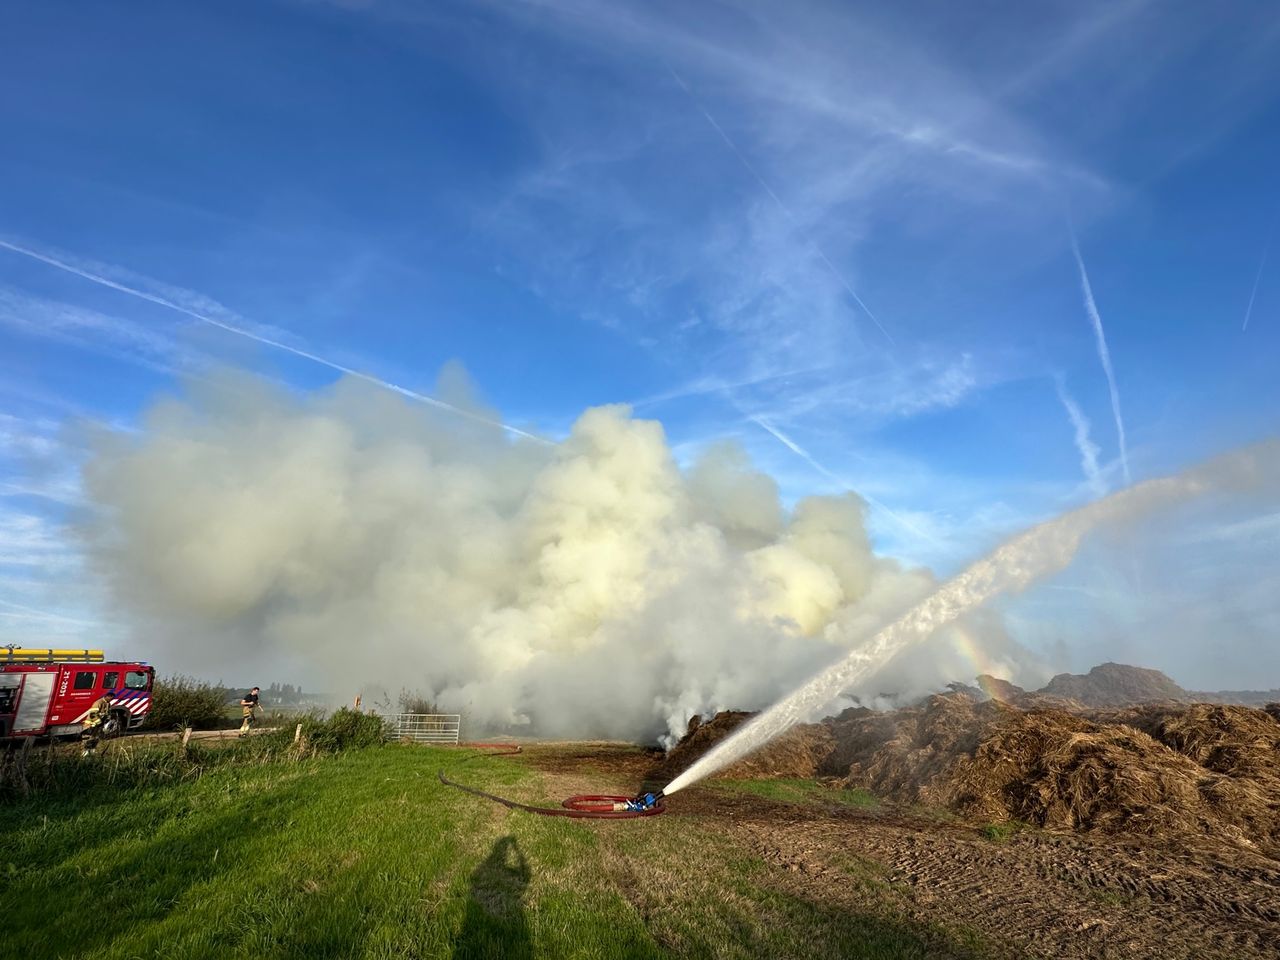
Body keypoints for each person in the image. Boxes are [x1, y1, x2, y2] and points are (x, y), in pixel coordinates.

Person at [82, 691, 114, 756]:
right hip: (91, 724)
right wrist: (99, 722)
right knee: (88, 739)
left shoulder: (108, 703)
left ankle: (92, 751)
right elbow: (93, 714)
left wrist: (107, 720)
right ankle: (85, 752)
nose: (111, 699)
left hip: (98, 725)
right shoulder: (98, 703)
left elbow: (106, 713)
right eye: (111, 698)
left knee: (96, 738)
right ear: (107, 696)